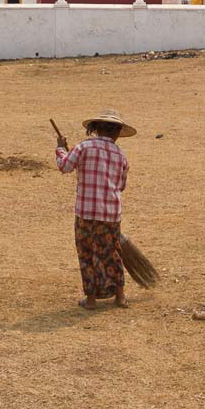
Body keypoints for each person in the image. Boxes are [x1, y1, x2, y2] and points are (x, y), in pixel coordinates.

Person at [55, 108, 136, 310]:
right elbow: (121, 185)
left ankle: (91, 300)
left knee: (86, 253)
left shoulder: (84, 147)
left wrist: (61, 149)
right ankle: (120, 296)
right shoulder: (121, 156)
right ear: (118, 132)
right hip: (110, 214)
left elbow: (65, 166)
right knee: (113, 253)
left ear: (96, 128)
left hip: (86, 213)